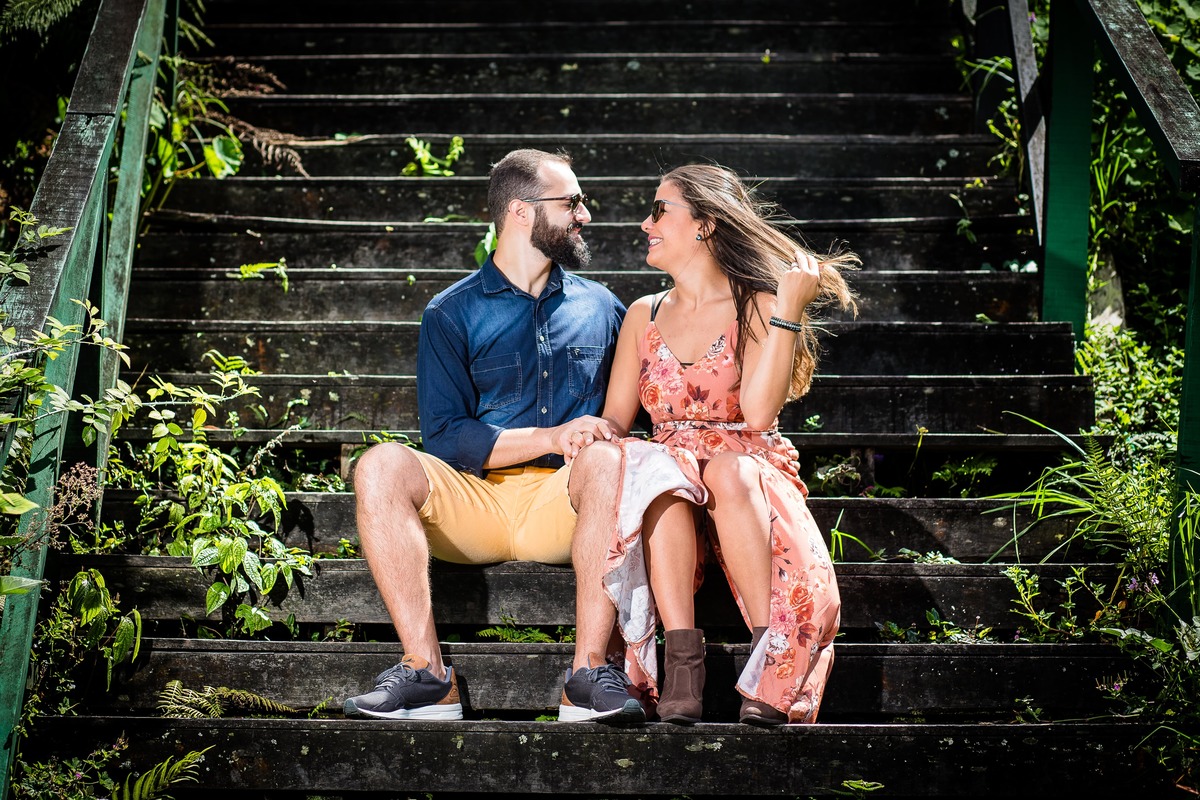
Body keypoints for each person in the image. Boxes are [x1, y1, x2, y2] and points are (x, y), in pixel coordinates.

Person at [343, 148, 646, 724]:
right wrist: (553, 435)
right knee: (381, 464)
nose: (584, 214)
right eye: (572, 202)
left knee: (608, 461)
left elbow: (627, 418)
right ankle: (428, 676)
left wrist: (593, 437)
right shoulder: (450, 313)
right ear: (521, 212)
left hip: (565, 504)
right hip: (475, 503)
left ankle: (586, 675)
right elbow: (447, 439)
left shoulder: (603, 308)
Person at [569, 163, 858, 725]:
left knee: (726, 468)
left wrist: (790, 311)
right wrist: (589, 431)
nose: (644, 223)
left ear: (705, 224)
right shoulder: (642, 315)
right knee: (656, 469)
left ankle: (765, 655)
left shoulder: (756, 304)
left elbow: (759, 413)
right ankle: (682, 662)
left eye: (659, 211)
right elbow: (617, 420)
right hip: (672, 481)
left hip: (743, 473)